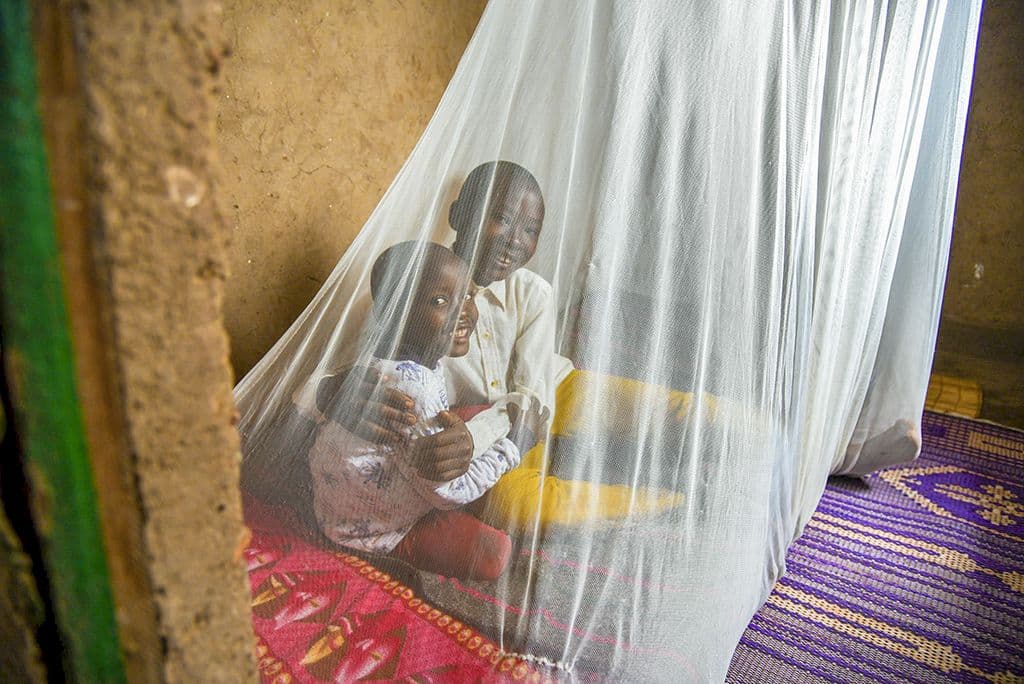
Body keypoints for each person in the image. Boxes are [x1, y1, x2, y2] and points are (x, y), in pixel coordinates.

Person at [327, 162, 682, 533]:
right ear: (458, 215)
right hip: (480, 444)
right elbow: (331, 373)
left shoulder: (532, 293)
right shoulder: (415, 293)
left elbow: (533, 397)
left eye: (530, 230)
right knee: (519, 508)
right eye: (502, 218)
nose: (515, 239)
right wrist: (332, 391)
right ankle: (669, 501)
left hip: (549, 398)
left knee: (669, 410)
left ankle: (728, 444)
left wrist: (478, 435)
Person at [311, 241, 546, 580]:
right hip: (369, 527)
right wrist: (513, 447)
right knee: (495, 553)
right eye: (440, 301)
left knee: (478, 422)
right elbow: (449, 494)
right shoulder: (412, 391)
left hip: (335, 503)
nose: (463, 311)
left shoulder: (389, 361)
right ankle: (385, 547)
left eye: (468, 296)